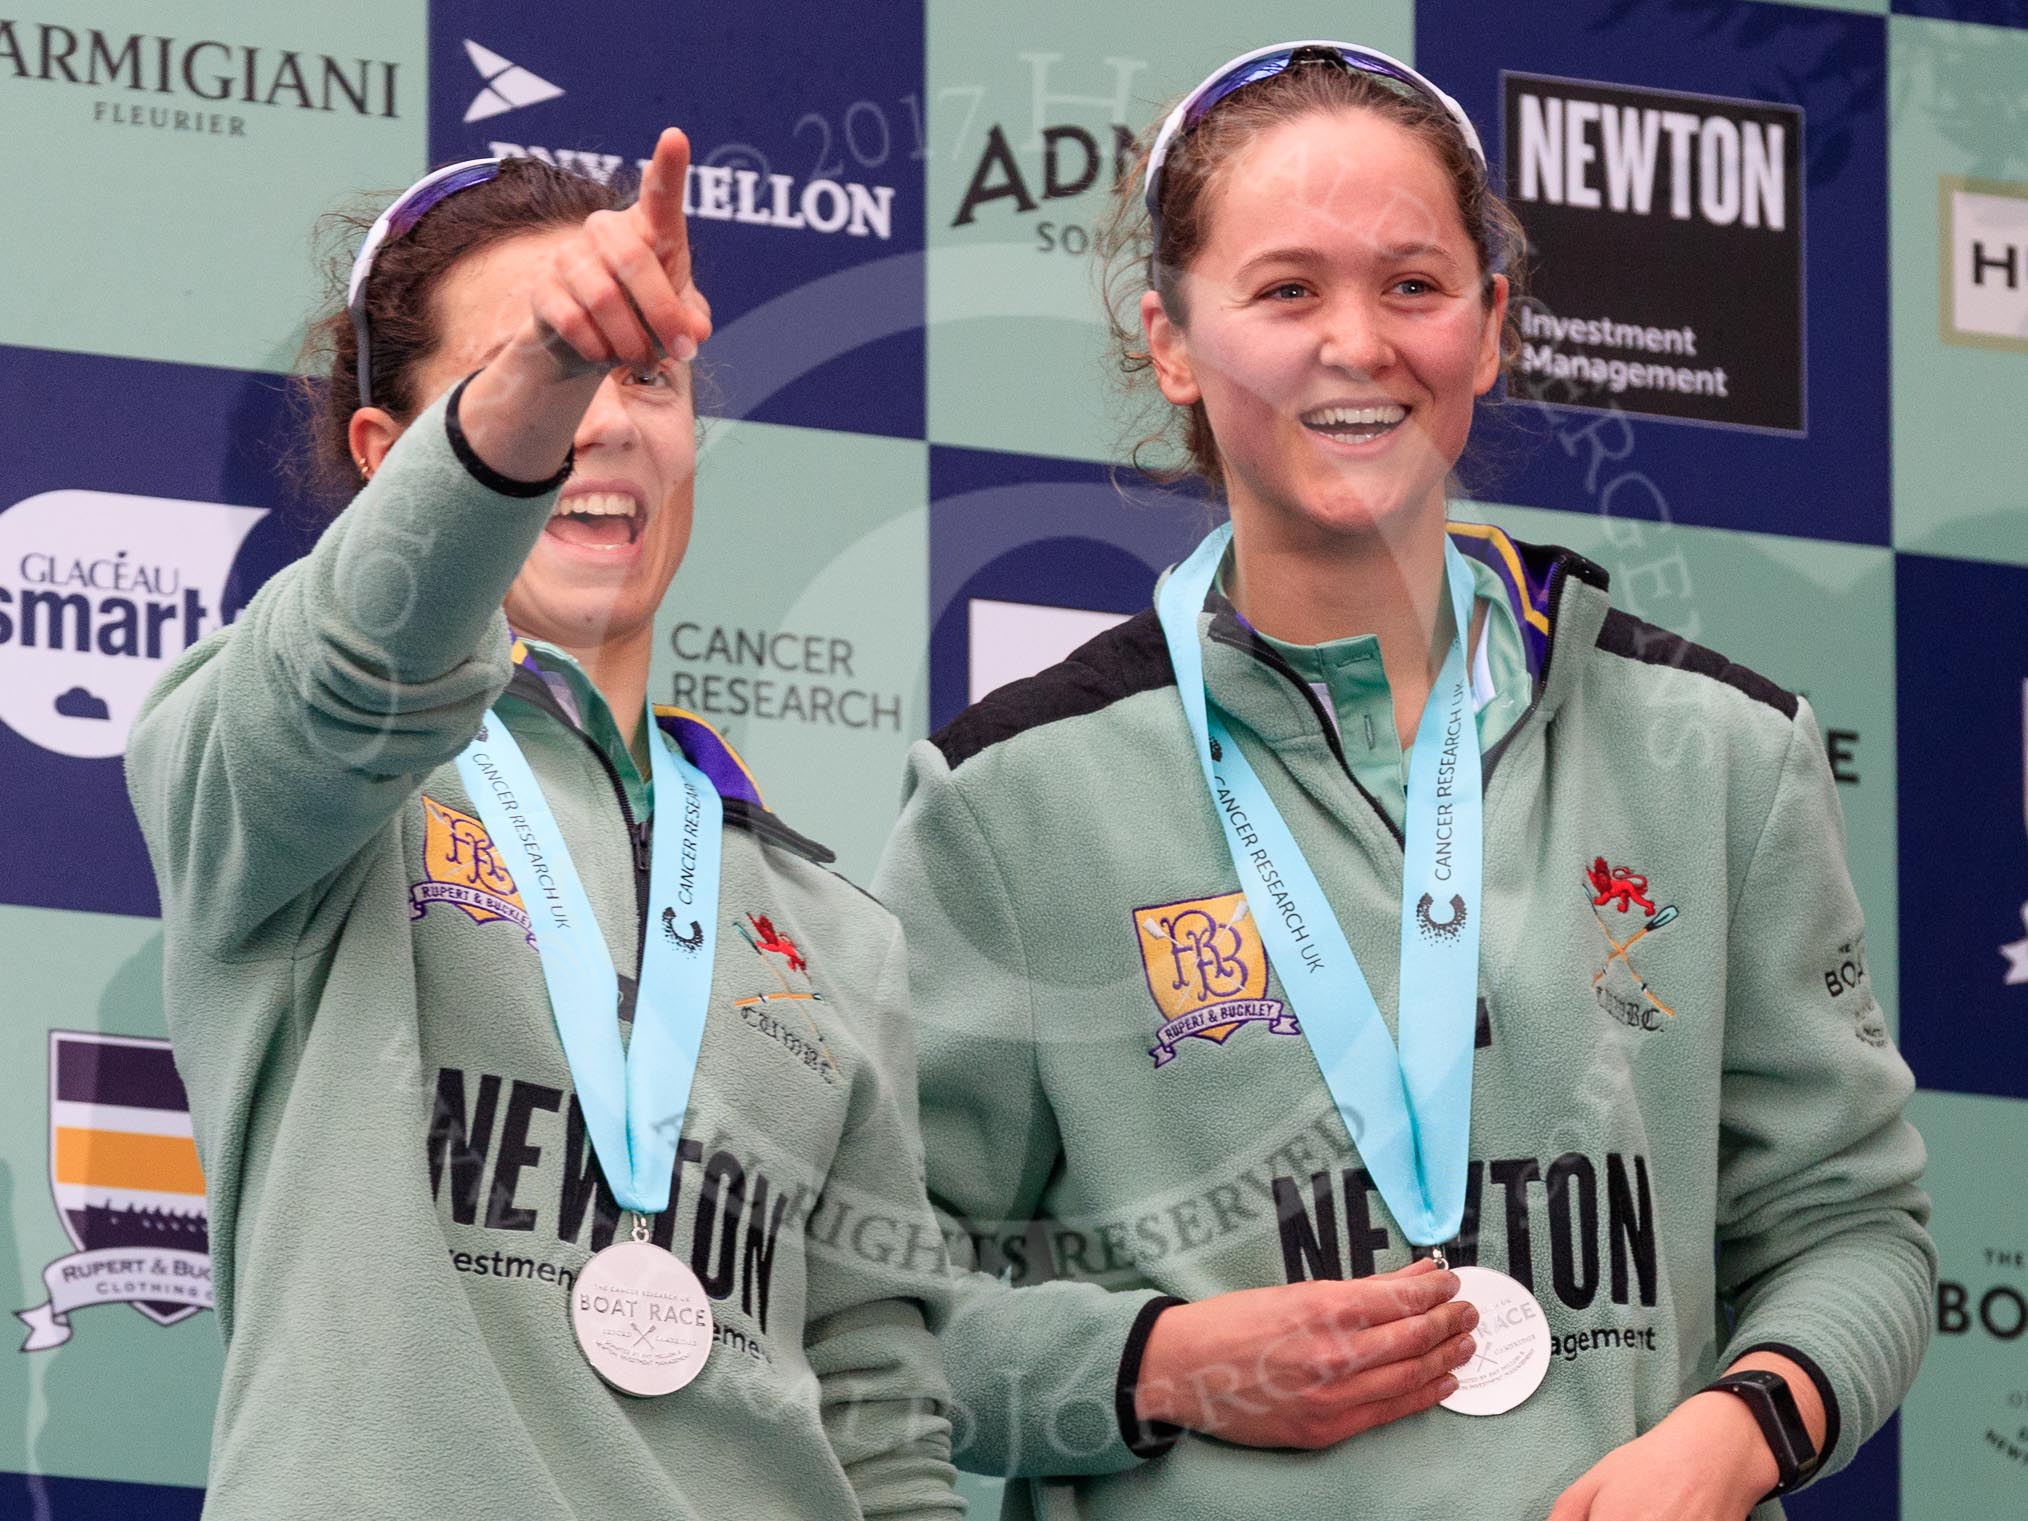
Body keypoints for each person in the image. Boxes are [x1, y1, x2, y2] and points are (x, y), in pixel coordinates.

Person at [874, 42, 1933, 1521]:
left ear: (1490, 328)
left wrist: (1739, 1433)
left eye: (1415, 284)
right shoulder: (1010, 797)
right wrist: (1155, 1364)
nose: (1358, 342)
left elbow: (1856, 1227)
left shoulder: (1723, 753)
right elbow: (867, 1312)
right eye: (1286, 290)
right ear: (1172, 341)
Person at [127, 131, 961, 1520]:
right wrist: (537, 386)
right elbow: (347, 669)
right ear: (393, 456)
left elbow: (880, 1414)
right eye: (549, 365)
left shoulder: (833, 928)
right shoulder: (295, 787)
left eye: (647, 374)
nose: (605, 417)